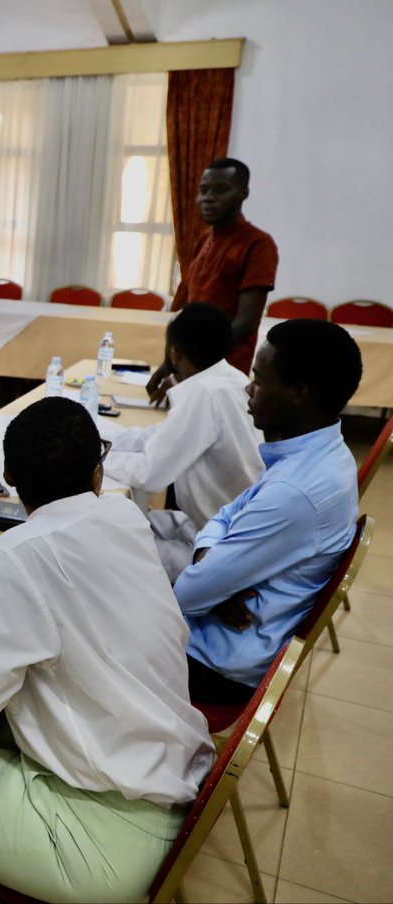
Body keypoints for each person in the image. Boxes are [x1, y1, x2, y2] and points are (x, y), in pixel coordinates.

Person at [0, 397, 214, 904]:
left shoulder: (18, 556)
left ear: (9, 477)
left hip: (100, 836)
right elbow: (50, 588)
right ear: (99, 472)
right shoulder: (121, 515)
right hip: (163, 776)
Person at [174, 319, 362, 704]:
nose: (248, 388)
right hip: (229, 634)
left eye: (259, 380)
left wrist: (210, 582)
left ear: (299, 393)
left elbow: (187, 595)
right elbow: (225, 514)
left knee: (97, 606)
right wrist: (215, 574)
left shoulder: (295, 492)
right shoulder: (322, 452)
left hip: (212, 662)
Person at [103, 303, 263, 579]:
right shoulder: (231, 378)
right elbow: (160, 436)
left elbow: (149, 474)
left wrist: (97, 459)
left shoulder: (205, 393)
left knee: (107, 548)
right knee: (118, 521)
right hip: (223, 528)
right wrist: (104, 438)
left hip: (219, 549)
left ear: (174, 352)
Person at [149, 158, 278, 402]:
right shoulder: (204, 240)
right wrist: (171, 363)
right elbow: (186, 312)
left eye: (220, 190)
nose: (208, 198)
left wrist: (189, 362)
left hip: (224, 371)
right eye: (204, 190)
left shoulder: (258, 244)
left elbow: (245, 322)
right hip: (190, 366)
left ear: (243, 193)